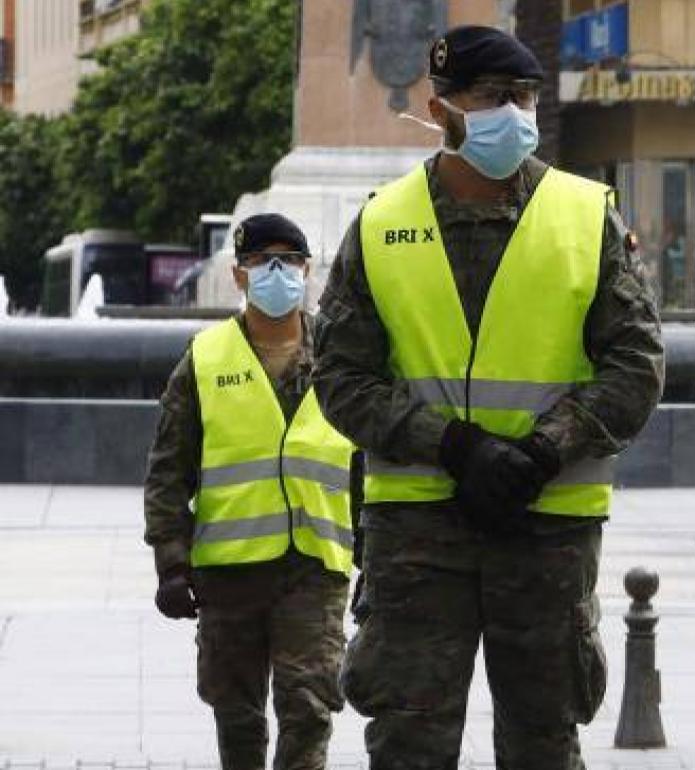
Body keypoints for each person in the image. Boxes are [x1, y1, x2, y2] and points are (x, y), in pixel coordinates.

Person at [312, 25, 664, 769]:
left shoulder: (583, 215)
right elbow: (340, 376)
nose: (516, 114)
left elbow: (636, 365)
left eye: (525, 96)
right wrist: (453, 445)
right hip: (417, 532)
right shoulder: (380, 224)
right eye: (494, 98)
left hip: (547, 528)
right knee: (408, 744)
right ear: (442, 111)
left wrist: (543, 451)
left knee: (543, 740)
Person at [143, 213, 357, 770]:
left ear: (308, 270)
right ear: (240, 275)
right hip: (229, 575)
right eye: (264, 262)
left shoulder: (342, 358)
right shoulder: (206, 359)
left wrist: (379, 558)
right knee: (237, 717)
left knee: (308, 707)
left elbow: (370, 467)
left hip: (315, 568)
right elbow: (169, 471)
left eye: (290, 260)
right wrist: (171, 563)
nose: (278, 272)